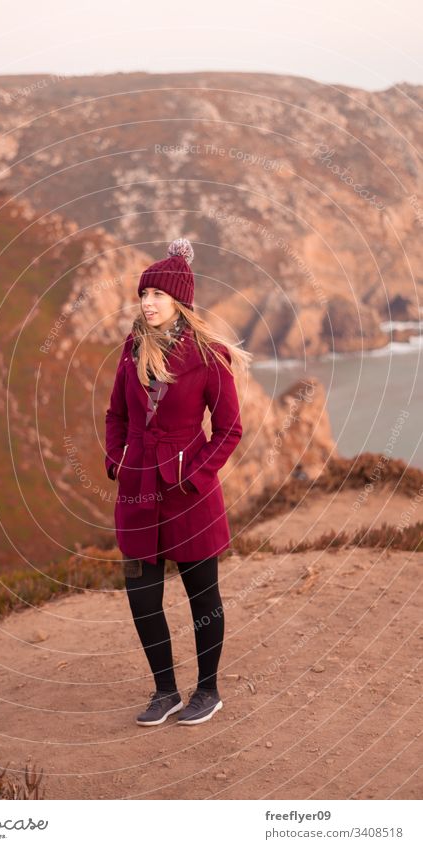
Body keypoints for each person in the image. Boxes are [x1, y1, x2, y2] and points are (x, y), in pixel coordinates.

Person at [104, 238, 252, 726]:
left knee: (202, 598)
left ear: (179, 302)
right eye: (143, 294)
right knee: (142, 597)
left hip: (190, 498)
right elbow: (117, 414)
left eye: (157, 296)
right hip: (138, 495)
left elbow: (230, 428)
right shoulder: (130, 350)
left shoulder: (210, 356)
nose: (147, 303)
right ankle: (165, 691)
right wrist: (115, 459)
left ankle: (207, 691)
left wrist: (195, 472)